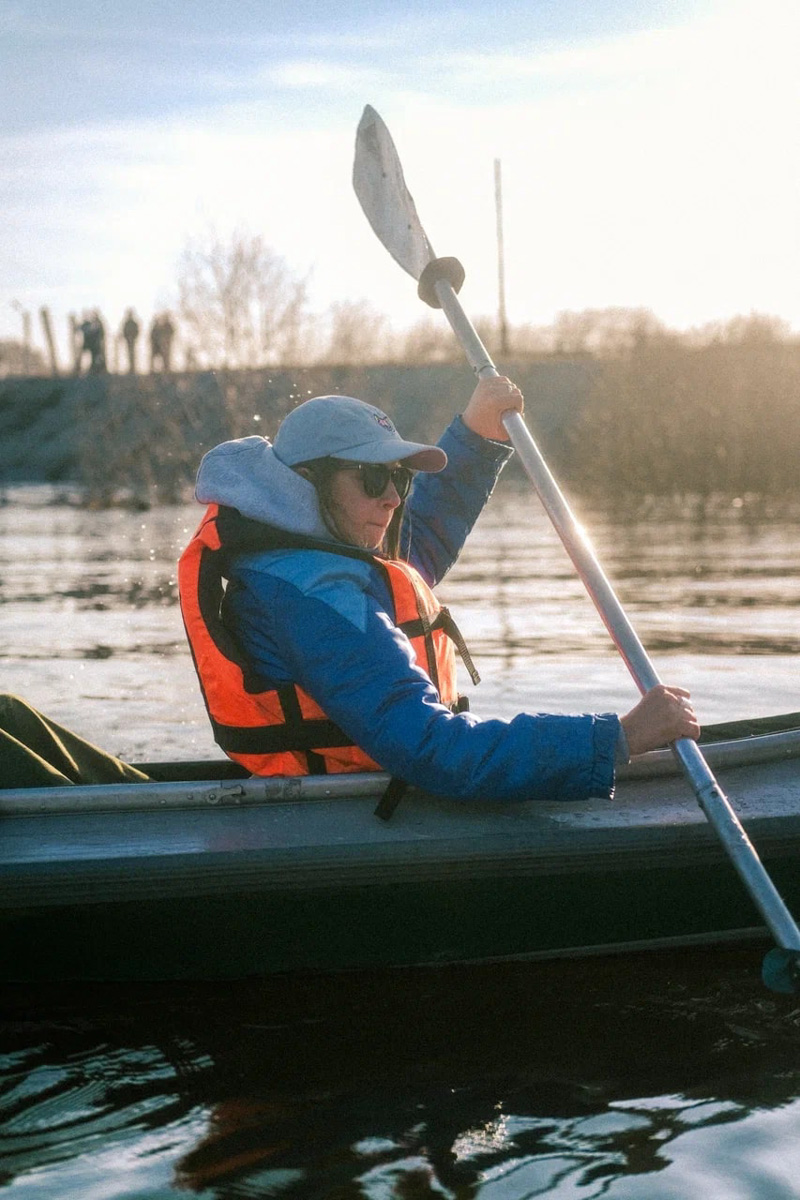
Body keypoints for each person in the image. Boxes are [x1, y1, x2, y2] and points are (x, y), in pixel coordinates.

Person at [178, 377, 699, 809]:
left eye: (399, 480)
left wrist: (477, 434)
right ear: (308, 481)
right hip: (336, 817)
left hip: (359, 789)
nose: (390, 498)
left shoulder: (314, 548)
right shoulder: (314, 597)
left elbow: (417, 543)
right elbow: (436, 749)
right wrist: (616, 738)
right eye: (372, 477)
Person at [121, 308, 140, 374]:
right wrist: (127, 337)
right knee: (128, 355)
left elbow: (137, 331)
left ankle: (133, 369)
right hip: (128, 342)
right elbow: (124, 331)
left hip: (133, 342)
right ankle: (130, 369)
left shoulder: (134, 323)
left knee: (133, 355)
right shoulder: (126, 323)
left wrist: (133, 337)